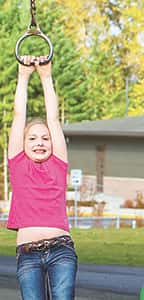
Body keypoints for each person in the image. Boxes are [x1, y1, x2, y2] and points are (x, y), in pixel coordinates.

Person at [7, 56, 77, 299]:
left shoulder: (58, 164)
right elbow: (18, 117)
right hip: (28, 253)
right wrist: (23, 77)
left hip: (61, 250)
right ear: (23, 144)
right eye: (33, 138)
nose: (40, 142)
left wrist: (46, 76)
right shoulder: (17, 164)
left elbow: (53, 119)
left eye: (45, 138)